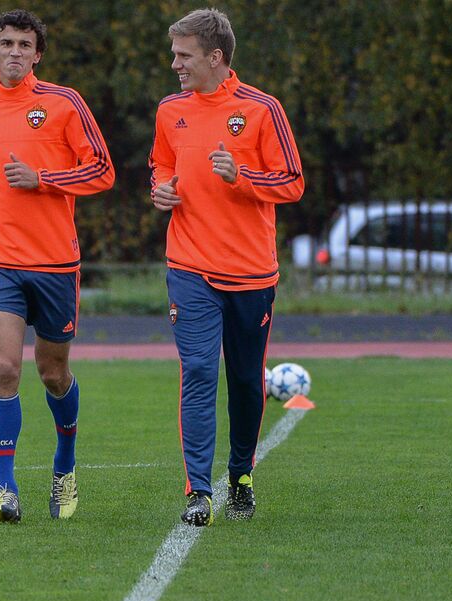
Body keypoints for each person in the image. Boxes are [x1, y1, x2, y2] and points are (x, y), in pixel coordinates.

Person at [0, 10, 114, 524]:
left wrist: (41, 178)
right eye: (6, 43)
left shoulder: (64, 103)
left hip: (55, 261)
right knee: (5, 368)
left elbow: (102, 171)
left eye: (25, 44)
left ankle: (64, 464)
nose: (15, 51)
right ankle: (6, 489)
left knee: (53, 371)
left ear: (37, 54)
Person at [149, 8, 304, 525]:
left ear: (216, 57)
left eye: (184, 55)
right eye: (175, 54)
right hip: (189, 265)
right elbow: (162, 162)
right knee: (196, 370)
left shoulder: (262, 109)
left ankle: (240, 475)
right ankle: (198, 490)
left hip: (251, 272)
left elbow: (292, 183)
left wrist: (242, 177)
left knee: (243, 379)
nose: (175, 64)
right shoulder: (171, 110)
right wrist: (162, 187)